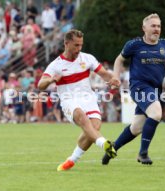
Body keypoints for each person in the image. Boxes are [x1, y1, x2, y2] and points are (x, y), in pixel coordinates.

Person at [102, 13, 165, 165]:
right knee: (156, 113)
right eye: (153, 26)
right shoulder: (134, 45)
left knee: (136, 128)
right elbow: (119, 59)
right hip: (139, 87)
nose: (156, 29)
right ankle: (143, 153)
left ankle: (113, 148)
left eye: (159, 26)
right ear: (144, 28)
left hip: (155, 90)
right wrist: (115, 76)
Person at [38, 29, 120, 171]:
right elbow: (40, 85)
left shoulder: (87, 58)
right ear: (66, 43)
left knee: (94, 127)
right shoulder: (56, 65)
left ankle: (72, 160)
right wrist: (51, 79)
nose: (79, 48)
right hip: (69, 99)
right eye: (76, 45)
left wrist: (112, 80)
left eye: (81, 45)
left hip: (88, 98)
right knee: (81, 116)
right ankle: (104, 143)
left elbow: (104, 74)